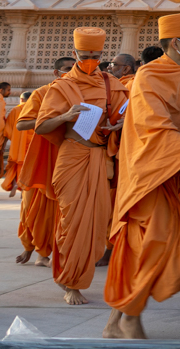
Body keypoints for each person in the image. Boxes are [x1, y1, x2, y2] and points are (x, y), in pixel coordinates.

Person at [102, 12, 180, 340]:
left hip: (172, 171)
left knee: (143, 248)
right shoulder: (149, 75)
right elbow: (154, 126)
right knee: (163, 247)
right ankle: (131, 315)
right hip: (148, 172)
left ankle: (115, 321)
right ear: (176, 42)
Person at [35, 27, 128, 305]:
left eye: (96, 56)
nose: (91, 60)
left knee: (97, 223)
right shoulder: (61, 86)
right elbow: (41, 127)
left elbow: (128, 114)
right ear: (75, 54)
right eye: (85, 55)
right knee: (72, 221)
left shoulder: (111, 83)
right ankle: (70, 283)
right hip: (72, 156)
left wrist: (119, 124)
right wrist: (66, 115)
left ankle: (79, 276)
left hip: (100, 157)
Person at [14, 57, 73, 267]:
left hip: (71, 157)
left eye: (75, 68)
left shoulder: (84, 92)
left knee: (66, 208)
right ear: (56, 73)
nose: (72, 72)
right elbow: (22, 125)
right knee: (35, 206)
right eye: (67, 69)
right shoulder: (41, 93)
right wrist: (60, 118)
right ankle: (36, 247)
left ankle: (59, 252)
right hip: (42, 158)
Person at [2, 91, 32, 197]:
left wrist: (15, 138)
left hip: (18, 144)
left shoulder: (15, 110)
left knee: (18, 165)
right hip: (31, 143)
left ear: (21, 99)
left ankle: (17, 183)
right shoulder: (35, 109)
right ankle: (24, 188)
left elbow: (8, 129)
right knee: (29, 166)